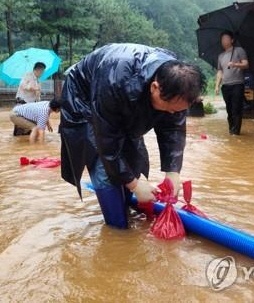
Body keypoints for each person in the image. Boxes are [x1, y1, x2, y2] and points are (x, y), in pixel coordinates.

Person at [59, 43, 206, 229]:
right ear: (155, 87)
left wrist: (173, 171)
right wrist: (135, 185)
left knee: (133, 154)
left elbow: (174, 129)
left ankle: (125, 205)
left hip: (127, 90)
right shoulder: (114, 78)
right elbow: (106, 141)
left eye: (177, 111)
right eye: (169, 108)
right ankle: (117, 228)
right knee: (102, 163)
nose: (172, 114)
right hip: (85, 97)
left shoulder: (177, 84)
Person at [214, 31, 249, 135]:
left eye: (226, 38)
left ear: (232, 40)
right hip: (225, 85)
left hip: (237, 84)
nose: (224, 41)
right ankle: (231, 130)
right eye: (222, 39)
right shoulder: (220, 56)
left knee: (236, 109)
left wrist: (235, 64)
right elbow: (220, 71)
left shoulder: (239, 50)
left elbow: (246, 64)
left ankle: (236, 132)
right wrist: (217, 85)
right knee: (229, 110)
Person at [13, 62, 46, 136]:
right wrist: (34, 88)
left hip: (31, 106)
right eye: (42, 71)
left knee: (29, 128)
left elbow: (37, 97)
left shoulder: (37, 80)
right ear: (39, 70)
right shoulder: (28, 75)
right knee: (21, 127)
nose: (42, 73)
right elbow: (23, 86)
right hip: (22, 103)